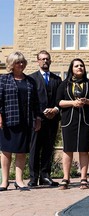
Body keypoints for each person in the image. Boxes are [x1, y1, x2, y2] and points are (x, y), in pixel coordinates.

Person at [0, 51, 41, 191]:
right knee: (6, 151)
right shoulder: (3, 80)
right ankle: (4, 181)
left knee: (21, 151)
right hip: (8, 120)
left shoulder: (30, 81)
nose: (21, 64)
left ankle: (19, 180)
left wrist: (38, 118)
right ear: (12, 64)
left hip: (26, 121)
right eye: (18, 62)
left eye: (23, 61)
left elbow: (36, 103)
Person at [56, 58, 89, 190]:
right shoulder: (64, 84)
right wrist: (72, 103)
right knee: (68, 149)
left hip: (85, 120)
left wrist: (87, 101)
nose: (79, 68)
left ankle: (83, 178)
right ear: (72, 69)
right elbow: (59, 102)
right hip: (69, 120)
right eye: (76, 66)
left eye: (81, 65)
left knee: (83, 149)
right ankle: (66, 178)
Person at [28, 50, 62, 187]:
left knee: (48, 148)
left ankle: (45, 176)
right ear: (38, 61)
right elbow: (30, 100)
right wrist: (37, 115)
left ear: (50, 60)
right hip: (37, 120)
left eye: (47, 59)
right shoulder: (31, 79)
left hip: (52, 119)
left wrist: (55, 110)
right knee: (34, 149)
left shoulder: (57, 79)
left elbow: (59, 99)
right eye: (42, 59)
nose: (45, 61)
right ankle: (33, 178)